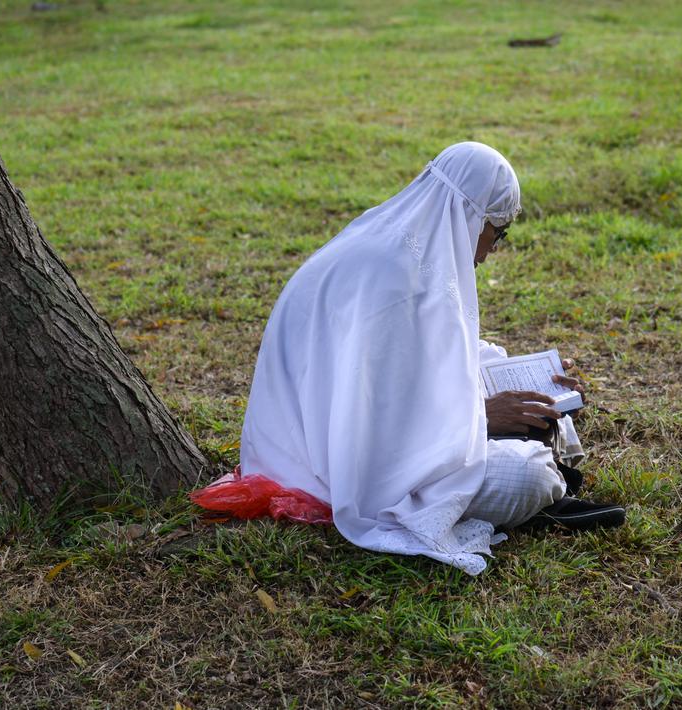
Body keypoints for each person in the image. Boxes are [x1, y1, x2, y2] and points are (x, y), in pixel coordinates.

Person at [239, 142, 624, 575]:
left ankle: (542, 477)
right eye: (498, 231)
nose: (494, 248)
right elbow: (372, 425)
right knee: (526, 475)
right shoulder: (391, 278)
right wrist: (481, 417)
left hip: (379, 438)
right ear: (471, 216)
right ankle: (544, 491)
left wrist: (533, 379)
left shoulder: (404, 249)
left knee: (538, 408)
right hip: (332, 468)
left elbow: (438, 355)